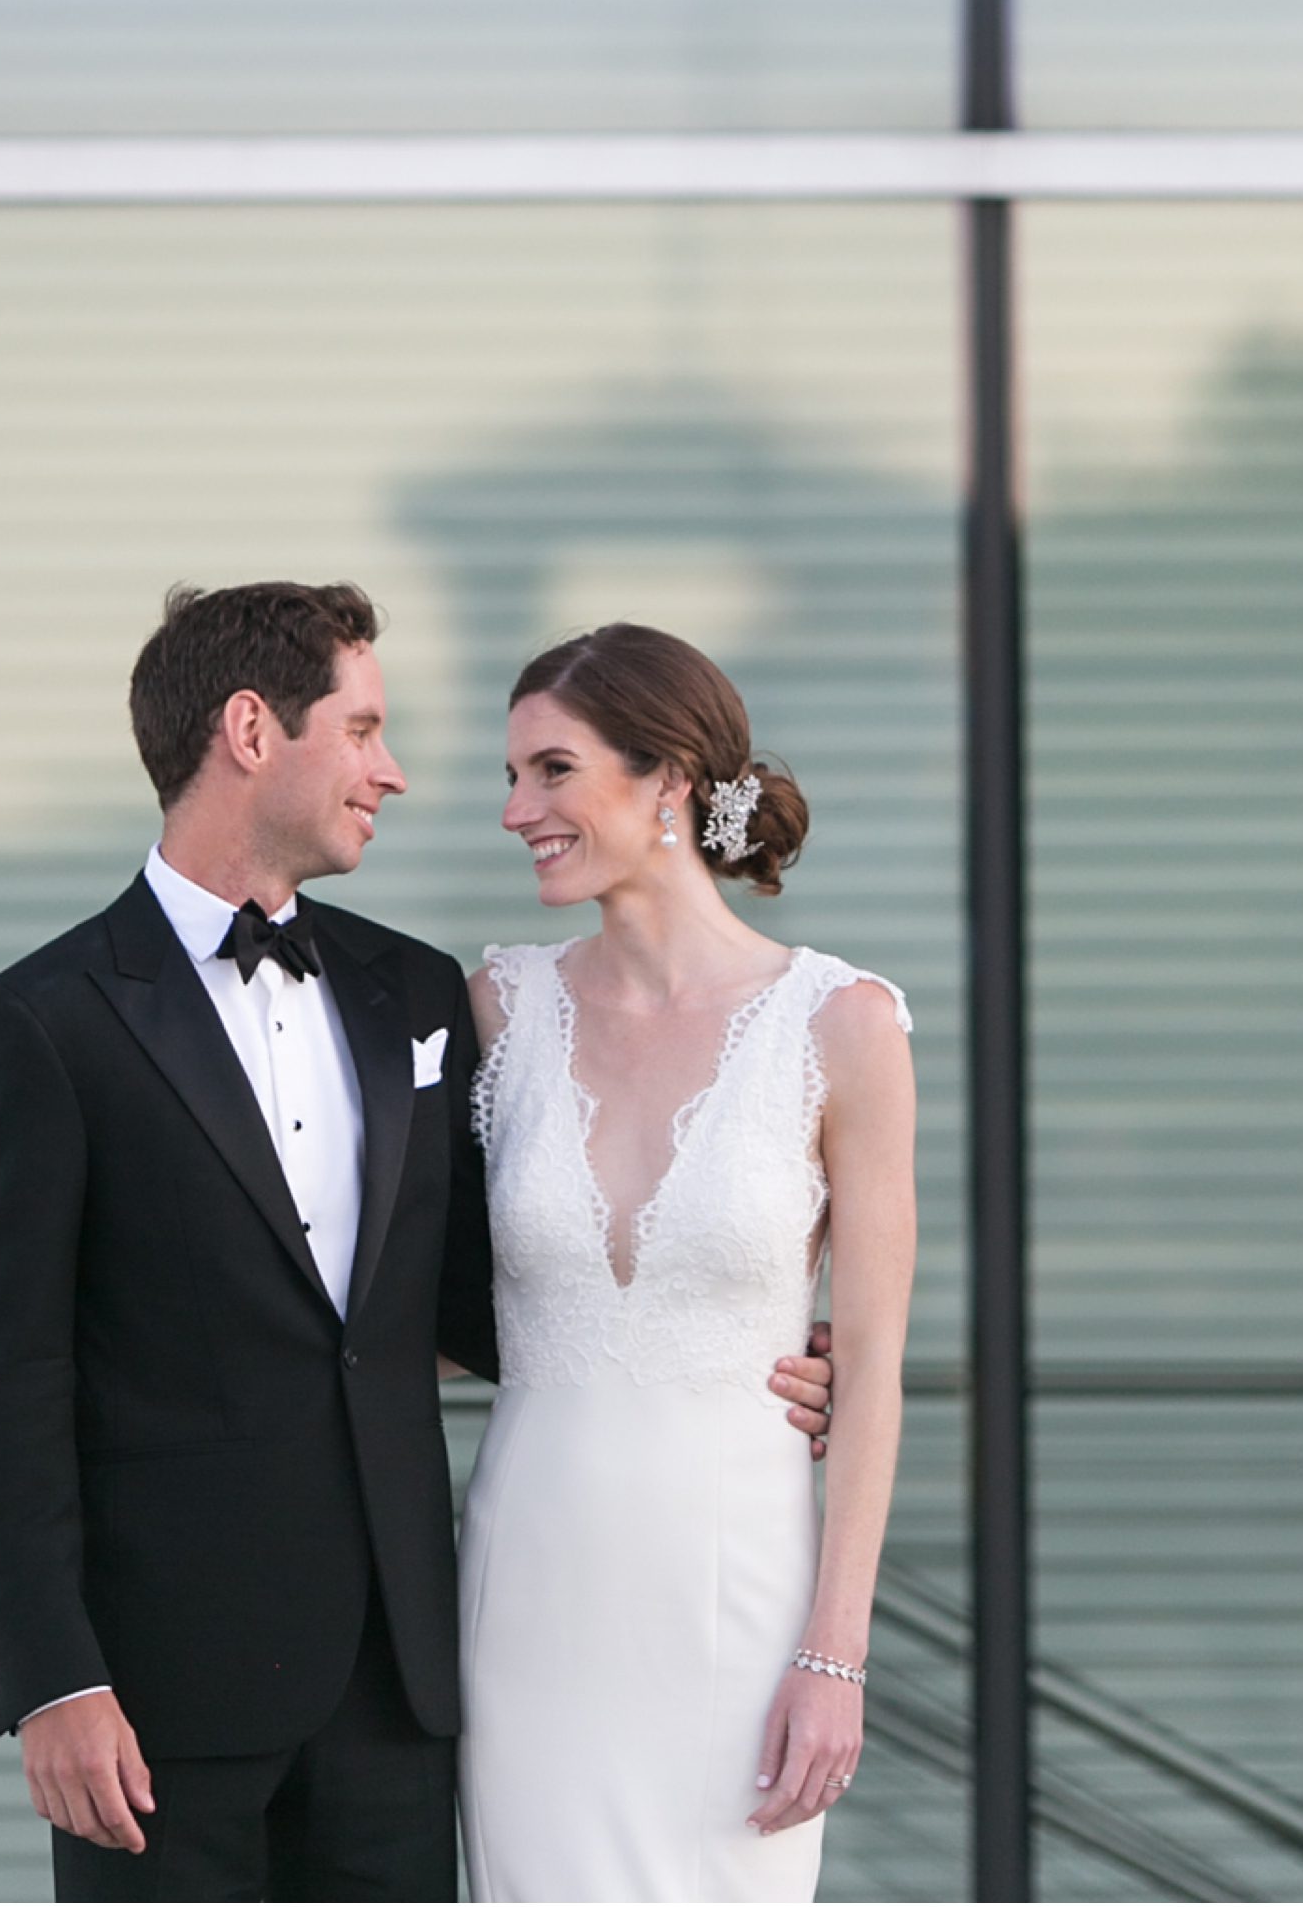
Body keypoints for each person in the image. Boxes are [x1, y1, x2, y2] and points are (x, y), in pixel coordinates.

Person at [0, 581, 837, 1902]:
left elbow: (485, 1297)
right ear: (252, 731)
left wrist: (742, 1348)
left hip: (403, 1692)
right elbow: (6, 1381)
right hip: (157, 1705)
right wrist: (54, 1678)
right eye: (363, 729)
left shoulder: (415, 993)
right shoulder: (44, 1023)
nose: (395, 771)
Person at [458, 623, 915, 1906]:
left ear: (666, 778)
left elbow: (872, 1363)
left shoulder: (843, 1026)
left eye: (550, 771)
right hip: (528, 1593)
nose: (514, 810)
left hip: (737, 1591)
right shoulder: (496, 1009)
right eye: (511, 776)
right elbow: (424, 1309)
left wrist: (836, 1656)